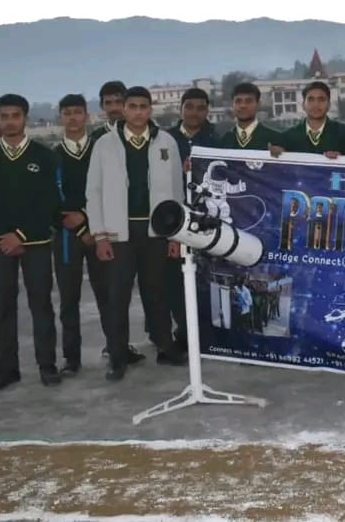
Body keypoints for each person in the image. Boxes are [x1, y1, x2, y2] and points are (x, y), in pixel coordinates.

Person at [86, 86, 186, 381]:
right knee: (117, 296)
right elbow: (94, 191)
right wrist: (100, 235)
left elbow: (177, 190)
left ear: (150, 110)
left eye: (144, 106)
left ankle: (164, 345)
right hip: (119, 231)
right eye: (133, 106)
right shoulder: (105, 144)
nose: (138, 112)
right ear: (124, 109)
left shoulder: (166, 141)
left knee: (157, 291)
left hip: (156, 230)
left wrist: (175, 235)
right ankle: (118, 356)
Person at [0, 93, 61, 389]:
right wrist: (4, 236)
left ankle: (47, 365)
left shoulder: (44, 156)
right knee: (3, 308)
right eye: (4, 116)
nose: (10, 122)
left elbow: (48, 201)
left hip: (35, 244)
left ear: (25, 119)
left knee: (41, 305)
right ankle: (8, 369)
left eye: (15, 116)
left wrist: (21, 235)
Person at [52, 94, 118, 377]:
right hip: (67, 237)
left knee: (108, 295)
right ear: (61, 117)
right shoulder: (52, 156)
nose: (73, 118)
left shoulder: (103, 150)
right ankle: (71, 359)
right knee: (69, 300)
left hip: (100, 233)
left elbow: (113, 190)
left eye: (78, 112)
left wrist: (89, 222)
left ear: (87, 116)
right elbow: (48, 199)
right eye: (67, 113)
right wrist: (78, 227)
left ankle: (117, 350)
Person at [166, 87, 220, 352]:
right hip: (176, 218)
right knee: (176, 280)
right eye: (189, 107)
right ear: (181, 108)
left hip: (208, 219)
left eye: (200, 108)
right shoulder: (166, 139)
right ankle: (184, 333)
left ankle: (209, 334)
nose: (194, 112)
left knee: (208, 278)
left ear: (207, 111)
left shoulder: (217, 140)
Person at [273, 81, 345, 156]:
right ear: (303, 105)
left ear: (329, 105)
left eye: (321, 99)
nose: (316, 104)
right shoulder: (287, 136)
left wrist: (342, 158)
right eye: (311, 99)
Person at [217, 82, 279, 150]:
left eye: (248, 101)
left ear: (258, 105)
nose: (243, 105)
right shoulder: (224, 140)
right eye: (238, 101)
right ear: (232, 105)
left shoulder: (275, 138)